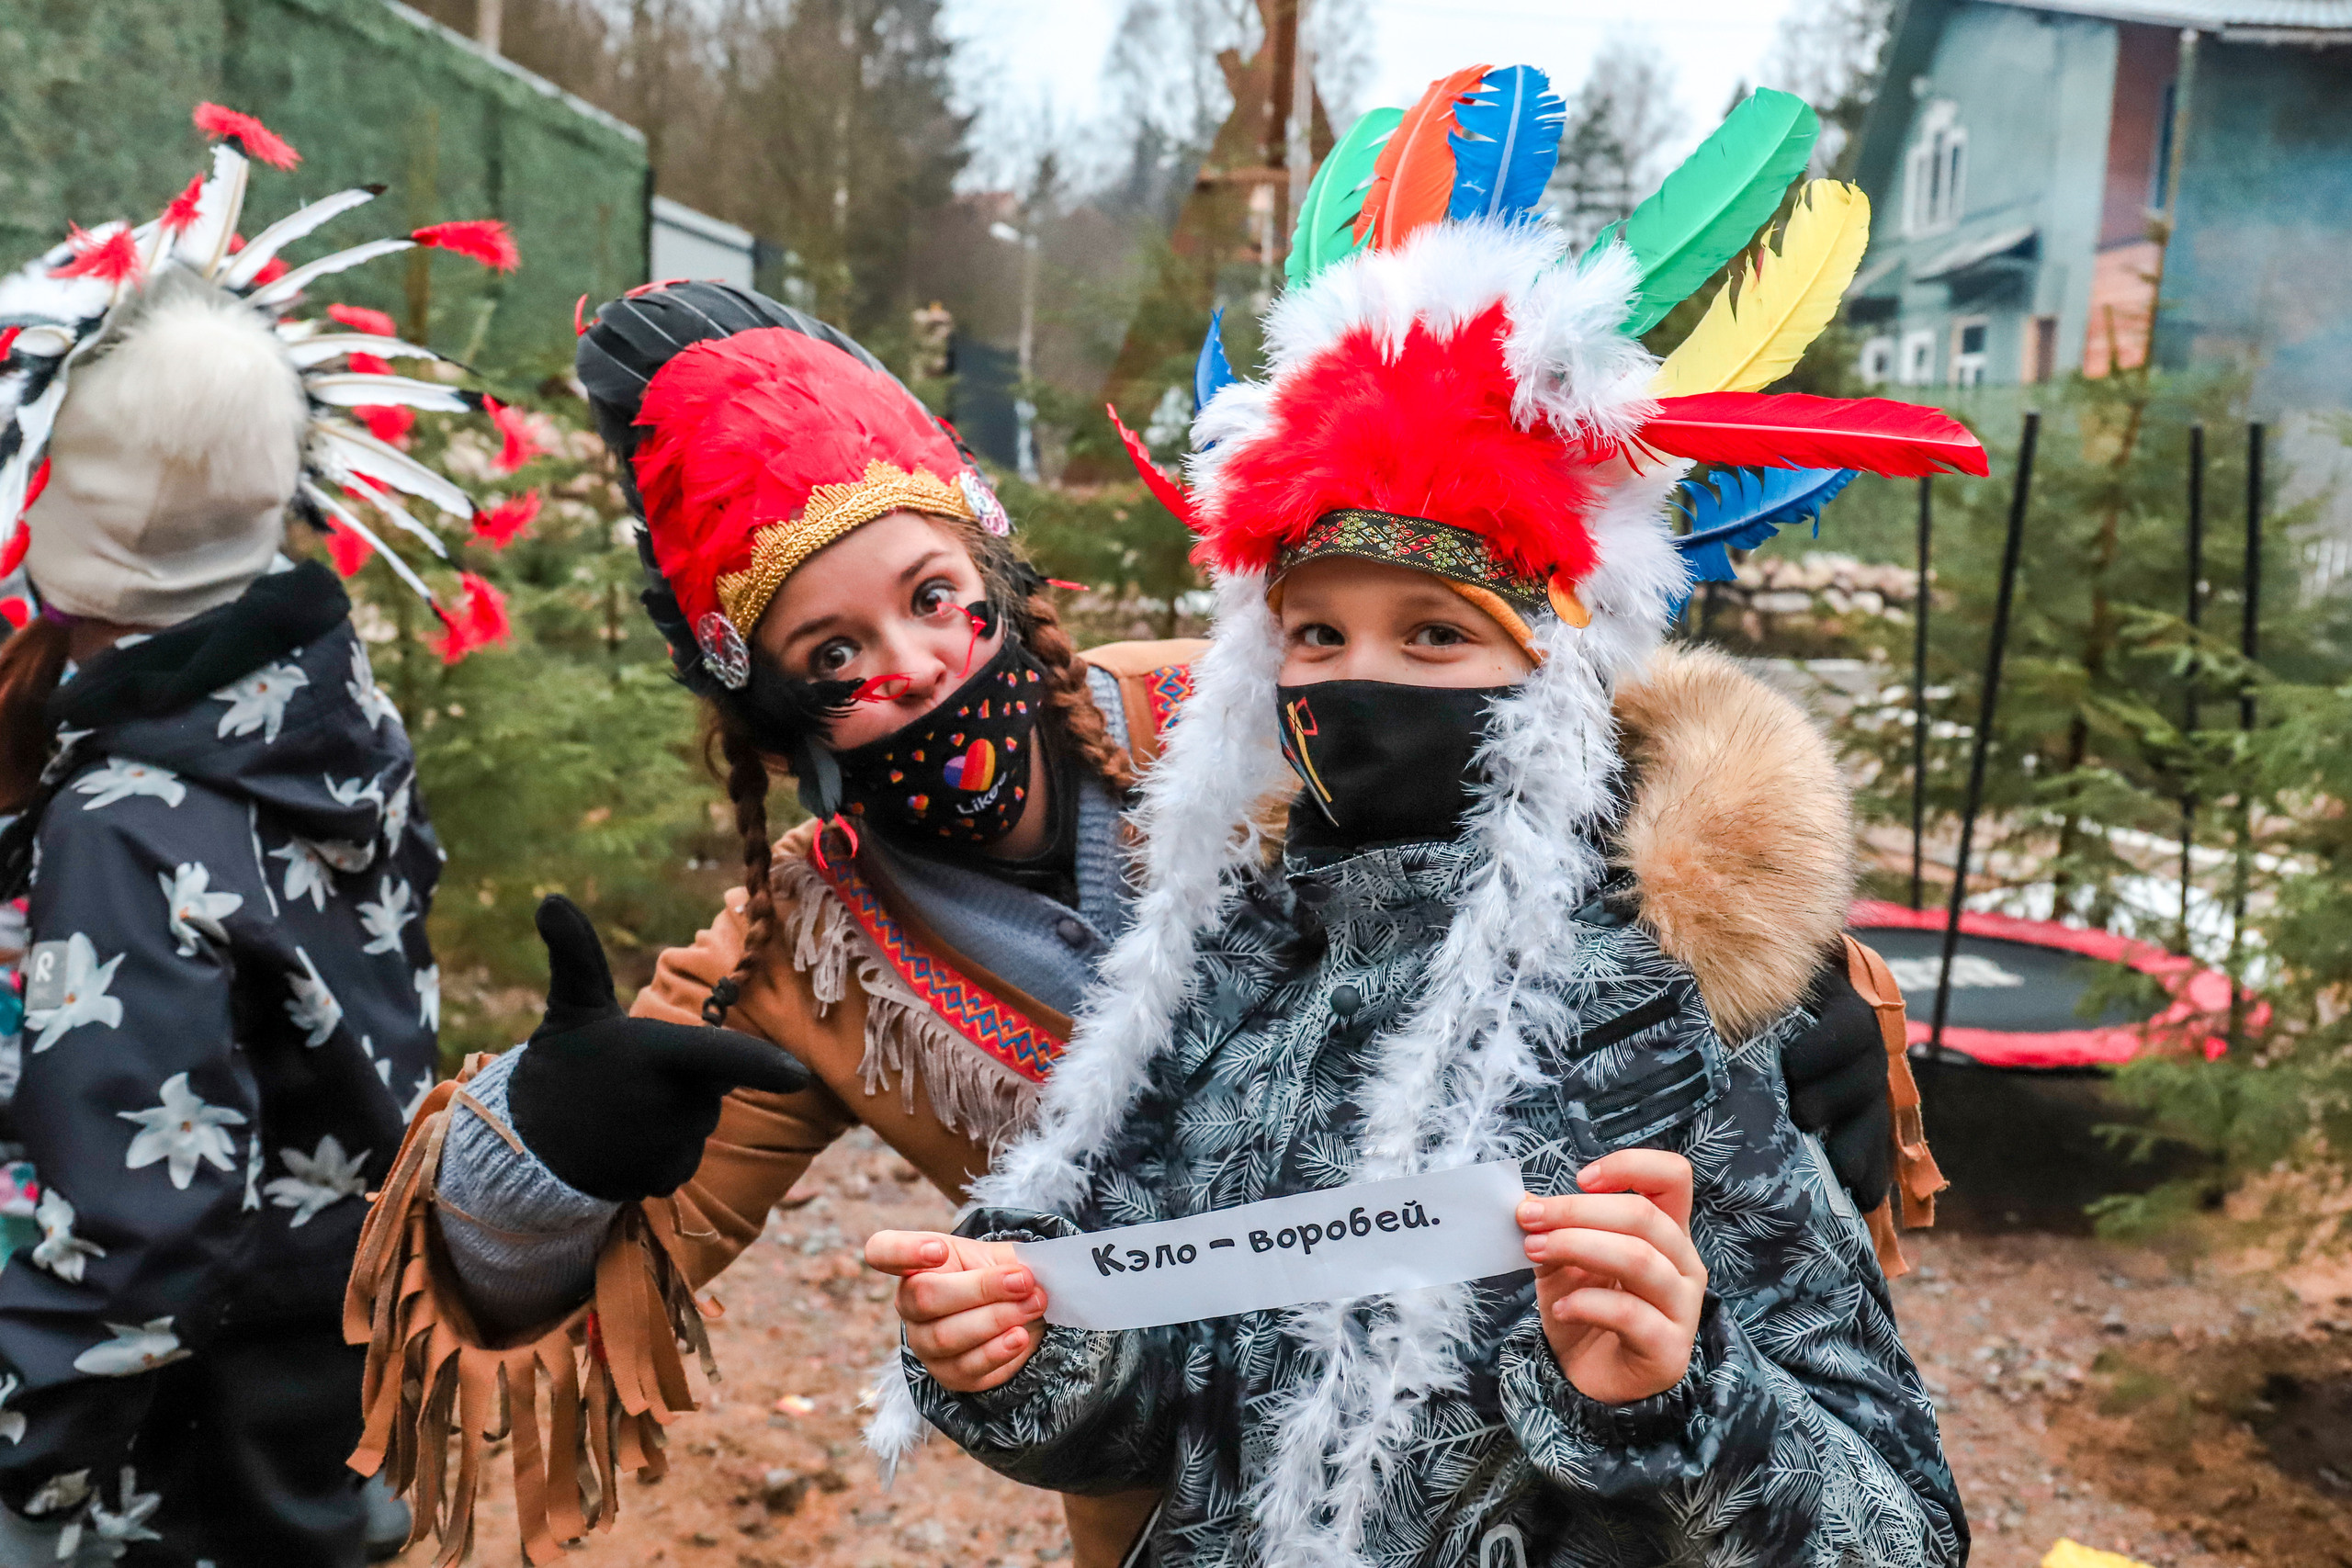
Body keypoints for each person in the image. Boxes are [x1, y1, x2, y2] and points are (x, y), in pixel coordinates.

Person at [349, 280, 1915, 1565]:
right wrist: (544, 1146)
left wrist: (1796, 975)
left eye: (934, 594)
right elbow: (515, 1280)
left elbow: (1559, 730)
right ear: (772, 710)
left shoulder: (1240, 704)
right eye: (829, 657)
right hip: (1183, 1483)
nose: (912, 667)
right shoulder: (803, 956)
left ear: (994, 568)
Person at [868, 70, 1972, 1566]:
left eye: (1436, 636)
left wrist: (1681, 1393)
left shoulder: (1660, 1015)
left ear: (1564, 668)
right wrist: (1028, 1346)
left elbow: (1901, 1535)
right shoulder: (1232, 974)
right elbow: (1154, 1417)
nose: (1359, 682)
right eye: (1315, 636)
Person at [0, 106, 511, 1563]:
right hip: (323, 1397)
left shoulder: (121, 821)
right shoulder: (337, 729)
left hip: (160, 1471)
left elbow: (141, 1237)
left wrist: (23, 1448)